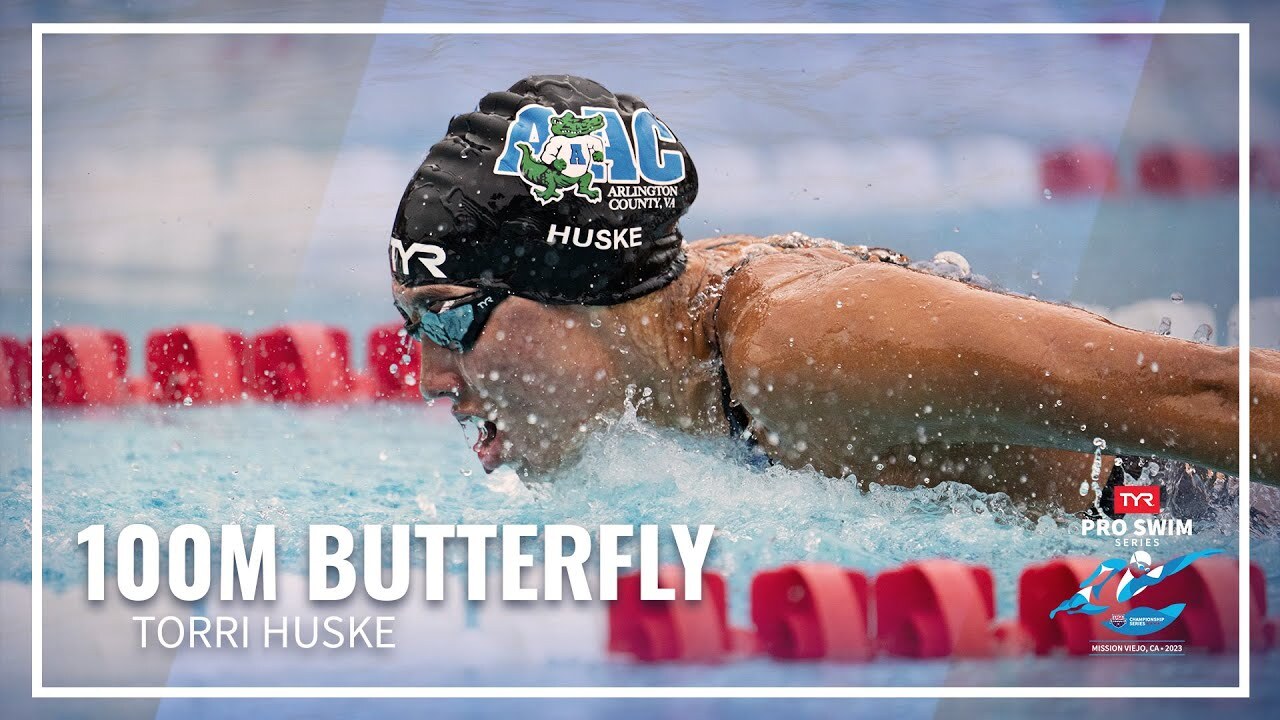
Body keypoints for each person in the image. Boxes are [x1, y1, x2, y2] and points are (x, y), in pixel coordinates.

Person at [389, 75, 1279, 515]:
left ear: (575, 289)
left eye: (452, 318)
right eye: (412, 328)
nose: (430, 378)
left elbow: (1212, 395)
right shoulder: (680, 336)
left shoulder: (800, 344)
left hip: (1207, 510)